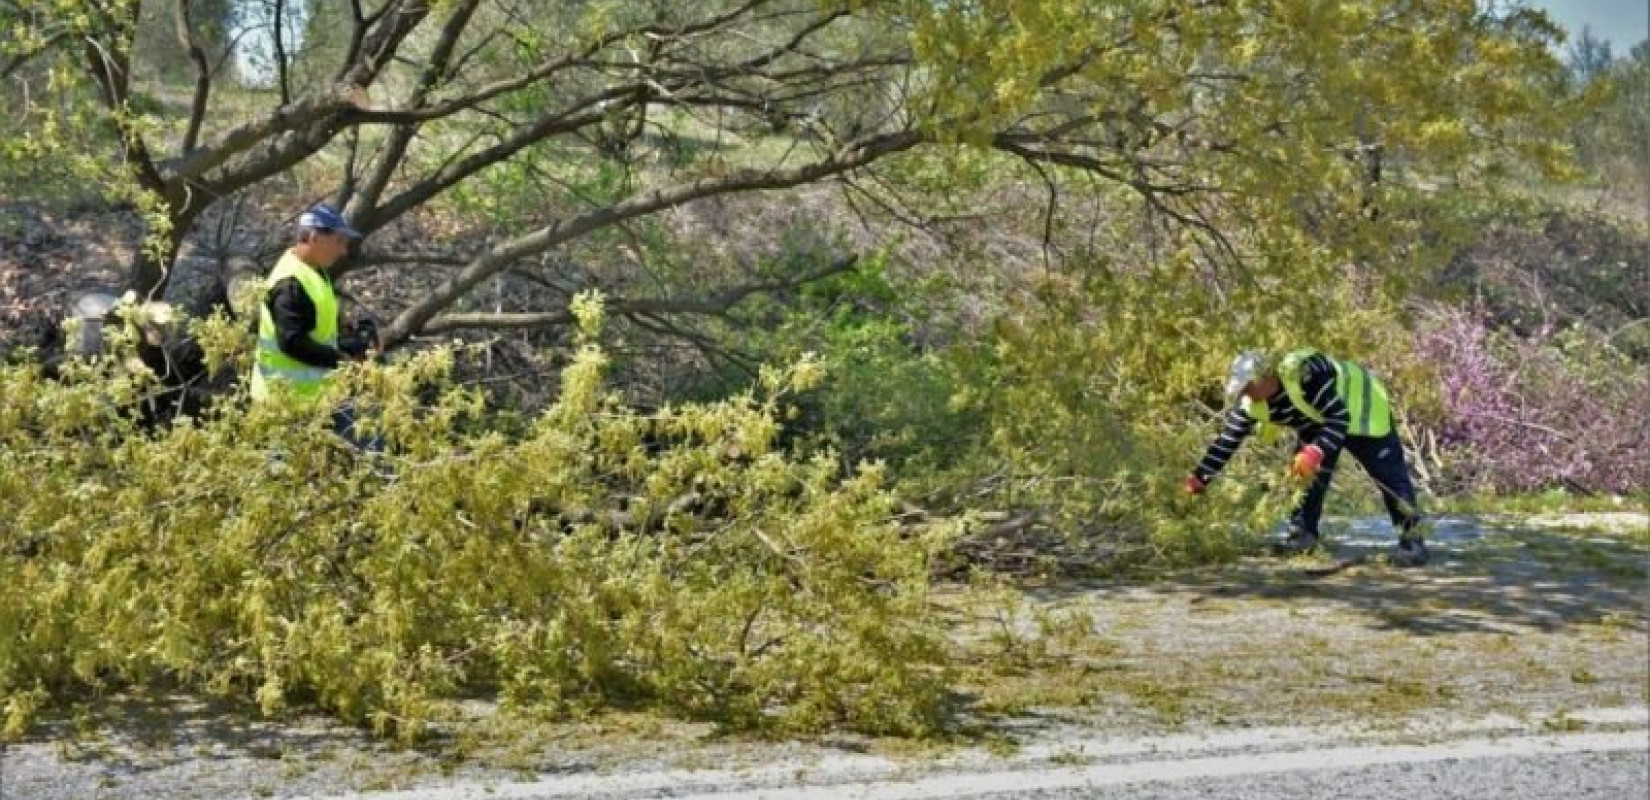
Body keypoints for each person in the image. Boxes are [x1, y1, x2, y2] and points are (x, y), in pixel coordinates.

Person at [1186, 349, 1429, 566]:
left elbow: (1340, 418)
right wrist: (1199, 478)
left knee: (1390, 479)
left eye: (1248, 386)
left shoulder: (1305, 375)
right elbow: (1226, 443)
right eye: (1241, 389)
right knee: (1302, 473)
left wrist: (1316, 451)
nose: (1245, 393)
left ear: (1268, 377)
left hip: (1363, 412)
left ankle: (1413, 542)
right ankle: (1303, 535)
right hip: (1319, 420)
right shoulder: (1249, 404)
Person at [250, 203, 379, 447]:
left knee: (366, 448)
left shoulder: (315, 271)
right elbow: (292, 342)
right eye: (338, 241)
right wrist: (342, 360)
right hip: (283, 405)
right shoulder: (290, 284)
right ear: (314, 238)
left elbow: (318, 332)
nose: (343, 251)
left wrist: (351, 344)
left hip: (320, 397)